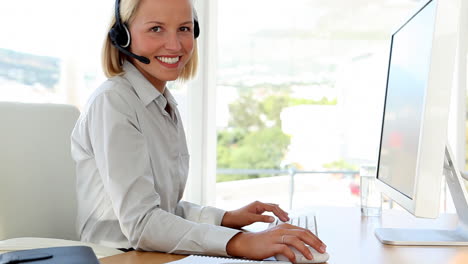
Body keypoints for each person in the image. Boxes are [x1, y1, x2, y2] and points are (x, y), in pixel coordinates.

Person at [70, 0, 327, 262]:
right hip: (114, 257)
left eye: (184, 28)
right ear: (122, 36)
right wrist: (242, 242)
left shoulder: (161, 104)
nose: (175, 45)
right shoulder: (114, 103)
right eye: (156, 29)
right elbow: (143, 223)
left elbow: (162, 209)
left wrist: (225, 218)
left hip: (150, 252)